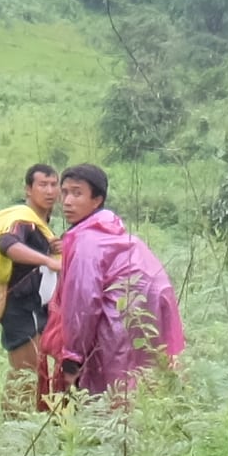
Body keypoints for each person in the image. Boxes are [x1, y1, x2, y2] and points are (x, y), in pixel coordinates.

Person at [43, 164, 183, 402]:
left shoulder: (88, 241)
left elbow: (82, 303)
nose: (67, 201)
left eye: (77, 193)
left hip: (116, 328)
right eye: (64, 192)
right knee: (141, 392)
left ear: (97, 199)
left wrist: (72, 357)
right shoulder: (115, 234)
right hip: (146, 325)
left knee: (108, 396)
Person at [0, 164, 65, 408]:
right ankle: (12, 432)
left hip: (35, 309)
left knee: (32, 374)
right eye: (42, 185)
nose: (50, 191)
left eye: (53, 185)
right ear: (28, 189)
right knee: (25, 374)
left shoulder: (39, 222)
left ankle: (23, 430)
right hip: (20, 308)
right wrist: (47, 259)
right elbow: (7, 244)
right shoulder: (23, 220)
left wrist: (50, 249)